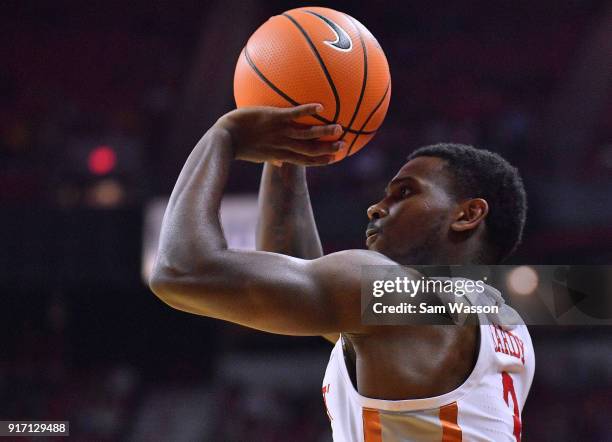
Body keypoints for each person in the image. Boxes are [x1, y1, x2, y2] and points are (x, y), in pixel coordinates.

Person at [149, 104, 534, 441]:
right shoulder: (503, 324)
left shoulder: (405, 298)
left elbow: (179, 271)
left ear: (467, 215)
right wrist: (288, 151)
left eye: (404, 193)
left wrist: (224, 135)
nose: (375, 208)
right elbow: (298, 275)